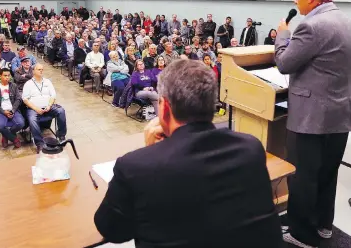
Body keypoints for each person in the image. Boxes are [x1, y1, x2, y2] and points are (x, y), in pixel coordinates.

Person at [94, 59, 282, 248]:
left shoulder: (135, 167)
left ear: (165, 108)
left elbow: (112, 230)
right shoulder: (251, 148)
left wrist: (152, 153)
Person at [275, 0, 351, 248]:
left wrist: (283, 34)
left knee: (303, 176)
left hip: (310, 118)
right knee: (327, 173)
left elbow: (284, 63)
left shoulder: (311, 26)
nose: (296, 0)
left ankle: (301, 233)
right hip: (339, 115)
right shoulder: (345, 20)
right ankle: (323, 225)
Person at [22, 64, 67, 152]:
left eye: (42, 69)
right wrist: (36, 108)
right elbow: (25, 99)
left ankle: (61, 135)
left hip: (48, 107)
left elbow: (53, 95)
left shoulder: (47, 82)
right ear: (33, 71)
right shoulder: (28, 84)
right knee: (32, 119)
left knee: (61, 111)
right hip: (34, 109)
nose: (41, 71)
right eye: (39, 69)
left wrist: (49, 105)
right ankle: (39, 143)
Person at [0, 68, 25, 149]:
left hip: (13, 110)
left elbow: (18, 99)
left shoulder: (13, 86)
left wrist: (12, 110)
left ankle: (6, 135)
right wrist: (3, 111)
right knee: (0, 126)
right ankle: (14, 139)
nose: (7, 77)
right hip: (0, 111)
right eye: (5, 75)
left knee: (21, 123)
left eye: (9, 76)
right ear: (0, 76)